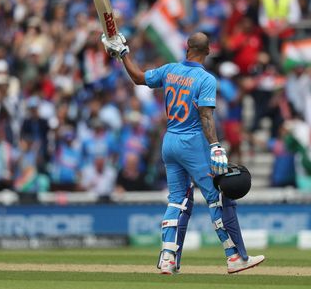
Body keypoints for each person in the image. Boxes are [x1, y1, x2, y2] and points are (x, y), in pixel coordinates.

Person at [101, 31, 265, 274]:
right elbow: (206, 115)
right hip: (193, 142)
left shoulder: (169, 70)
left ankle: (167, 257)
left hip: (170, 142)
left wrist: (123, 53)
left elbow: (137, 77)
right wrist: (215, 146)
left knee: (177, 199)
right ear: (208, 52)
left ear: (187, 48)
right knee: (218, 196)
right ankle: (234, 257)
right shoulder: (205, 78)